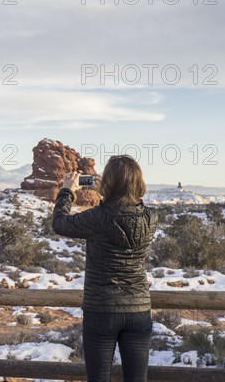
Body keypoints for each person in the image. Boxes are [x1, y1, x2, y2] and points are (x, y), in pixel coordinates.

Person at [52, 155, 157, 382]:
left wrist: (68, 190)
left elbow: (59, 223)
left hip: (101, 309)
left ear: (107, 182)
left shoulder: (97, 218)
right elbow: (131, 210)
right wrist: (114, 186)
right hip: (138, 309)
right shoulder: (151, 217)